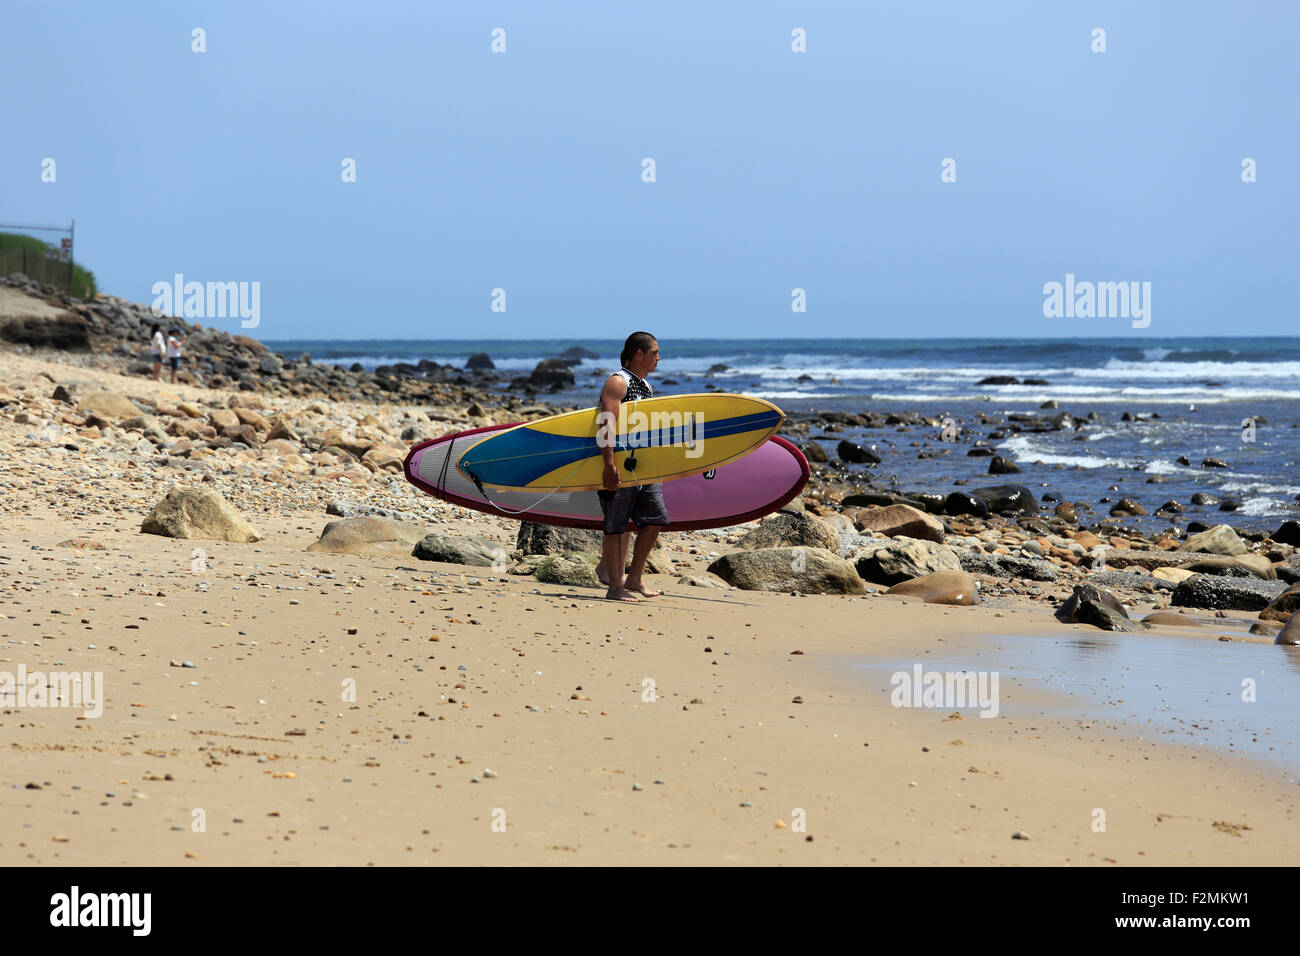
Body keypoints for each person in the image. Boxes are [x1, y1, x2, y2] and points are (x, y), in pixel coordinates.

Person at [596, 332, 668, 602]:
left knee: (655, 519)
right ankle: (615, 587)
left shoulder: (646, 387)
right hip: (619, 464)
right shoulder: (618, 382)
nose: (658, 358)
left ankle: (635, 578)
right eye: (654, 352)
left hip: (643, 466)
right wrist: (608, 463)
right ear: (639, 354)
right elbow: (606, 422)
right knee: (616, 525)